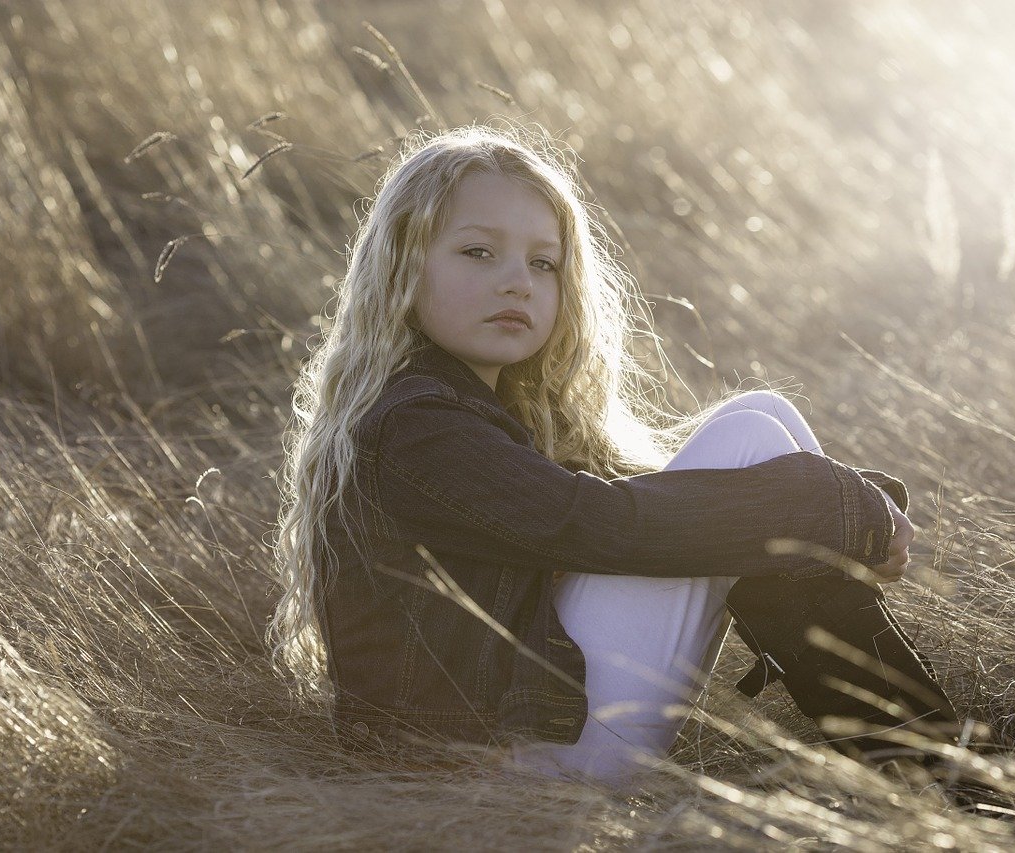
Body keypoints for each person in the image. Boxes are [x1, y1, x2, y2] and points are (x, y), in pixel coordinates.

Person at [268, 122, 958, 789]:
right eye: (479, 252)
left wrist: (840, 504)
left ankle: (926, 765)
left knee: (760, 419)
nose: (518, 281)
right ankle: (934, 769)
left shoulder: (463, 407)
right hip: (489, 766)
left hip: (521, 736)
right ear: (401, 263)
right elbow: (600, 525)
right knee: (753, 442)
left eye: (544, 262)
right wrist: (832, 505)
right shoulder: (419, 425)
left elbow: (614, 513)